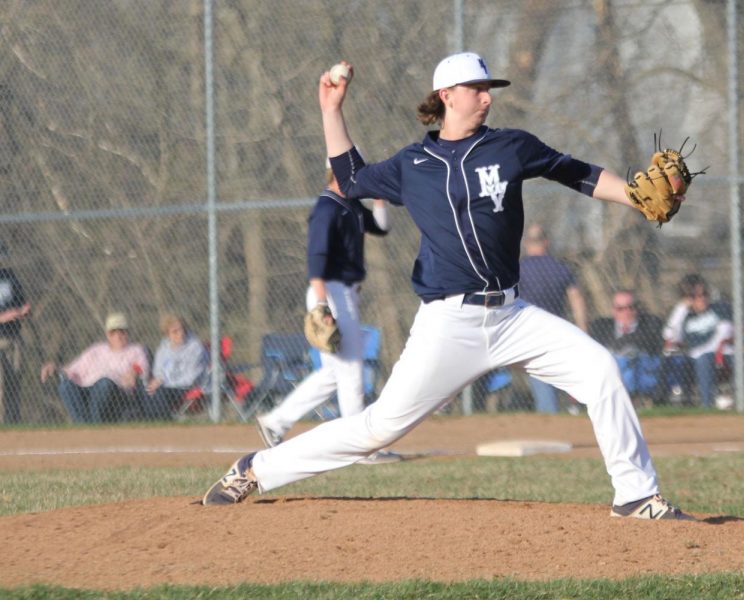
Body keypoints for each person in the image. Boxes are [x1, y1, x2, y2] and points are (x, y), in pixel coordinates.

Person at [203, 52, 693, 520]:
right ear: (447, 95)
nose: (487, 97)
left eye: (488, 88)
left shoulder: (512, 146)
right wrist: (332, 110)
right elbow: (351, 180)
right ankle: (254, 470)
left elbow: (578, 174)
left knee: (600, 369)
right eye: (476, 88)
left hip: (512, 315)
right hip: (450, 322)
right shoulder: (412, 165)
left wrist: (633, 196)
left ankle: (635, 495)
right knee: (379, 428)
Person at [254, 160, 391, 453]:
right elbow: (316, 256)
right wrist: (321, 304)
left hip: (344, 293)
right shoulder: (327, 208)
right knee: (352, 367)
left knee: (333, 374)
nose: (362, 176)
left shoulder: (350, 205)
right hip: (330, 292)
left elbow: (380, 227)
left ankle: (275, 422)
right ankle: (359, 446)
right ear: (340, 174)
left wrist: (379, 196)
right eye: (357, 171)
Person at [517, 222, 588, 413]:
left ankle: (549, 415)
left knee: (540, 374)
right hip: (558, 328)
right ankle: (557, 412)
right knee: (555, 372)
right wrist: (582, 328)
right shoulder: (560, 268)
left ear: (526, 243)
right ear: (546, 242)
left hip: (528, 330)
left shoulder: (519, 269)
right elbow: (576, 298)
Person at [40, 312, 149, 423]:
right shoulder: (96, 350)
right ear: (107, 335)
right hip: (87, 389)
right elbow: (73, 369)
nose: (118, 336)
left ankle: (94, 425)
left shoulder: (135, 349)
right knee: (65, 386)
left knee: (105, 382)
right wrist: (56, 368)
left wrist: (133, 372)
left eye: (122, 331)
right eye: (113, 332)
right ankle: (84, 426)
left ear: (127, 333)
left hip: (115, 391)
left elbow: (143, 365)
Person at [662, 274, 734, 408]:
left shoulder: (719, 309)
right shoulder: (686, 316)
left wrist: (701, 352)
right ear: (688, 299)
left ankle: (707, 406)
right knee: (674, 361)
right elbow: (669, 336)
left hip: (722, 356)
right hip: (694, 359)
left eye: (704, 294)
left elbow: (726, 331)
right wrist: (682, 307)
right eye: (695, 296)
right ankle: (675, 404)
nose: (702, 299)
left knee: (704, 358)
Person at [590, 289, 665, 401]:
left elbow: (651, 345)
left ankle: (634, 398)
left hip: (641, 372)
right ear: (614, 310)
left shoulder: (650, 324)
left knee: (630, 358)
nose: (626, 312)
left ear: (636, 309)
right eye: (620, 309)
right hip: (609, 373)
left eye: (631, 307)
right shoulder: (601, 327)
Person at [144, 314, 209, 420]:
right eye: (175, 332)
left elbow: (191, 378)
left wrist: (164, 381)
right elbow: (158, 371)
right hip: (165, 386)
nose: (181, 334)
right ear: (167, 334)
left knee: (158, 392)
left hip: (186, 387)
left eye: (182, 330)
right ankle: (149, 419)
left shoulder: (195, 347)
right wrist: (158, 380)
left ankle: (161, 420)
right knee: (146, 390)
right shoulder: (163, 348)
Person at [0, 242, 30, 423]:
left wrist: (23, 309)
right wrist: (3, 317)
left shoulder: (10, 276)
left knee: (13, 383)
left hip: (14, 337)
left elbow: (21, 301)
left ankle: (13, 424)